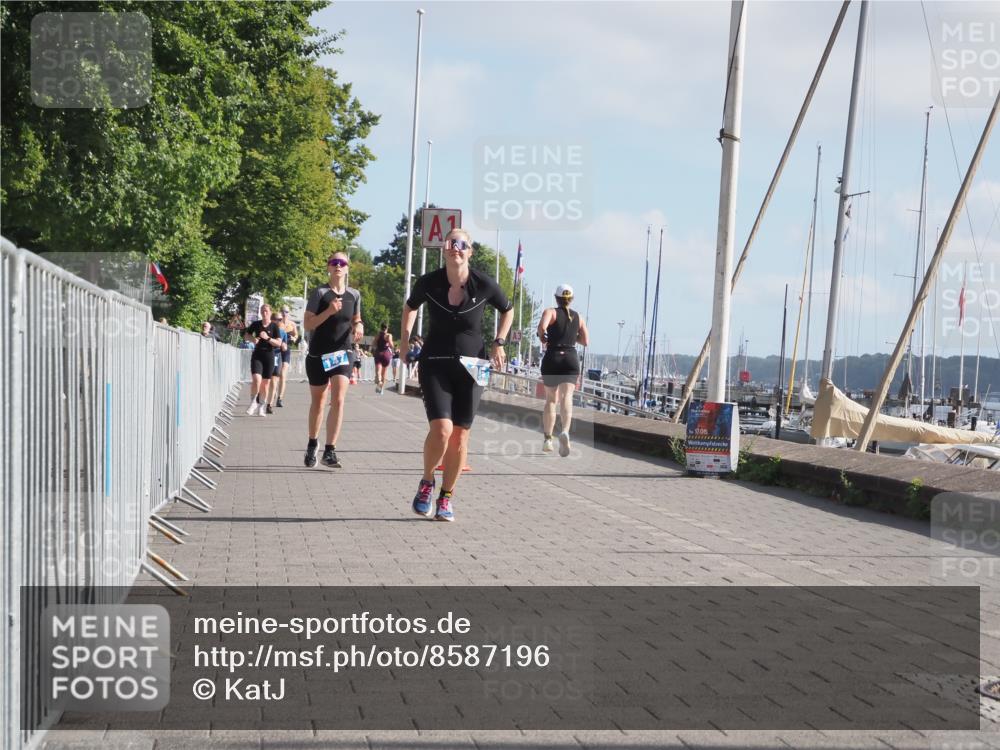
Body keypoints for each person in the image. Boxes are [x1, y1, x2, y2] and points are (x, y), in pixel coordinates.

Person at [401, 228, 514, 522]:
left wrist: (499, 342)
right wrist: (405, 340)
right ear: (444, 249)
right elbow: (410, 307)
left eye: (462, 244)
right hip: (435, 362)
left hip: (474, 366)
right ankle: (427, 481)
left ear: (470, 251)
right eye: (451, 243)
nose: (456, 248)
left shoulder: (485, 284)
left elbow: (508, 310)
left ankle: (446, 497)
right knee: (442, 429)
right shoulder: (430, 282)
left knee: (461, 436)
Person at [302, 252, 363, 468]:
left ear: (347, 268)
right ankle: (312, 443)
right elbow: (308, 324)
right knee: (318, 402)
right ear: (328, 267)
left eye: (342, 263)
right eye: (334, 262)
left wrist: (359, 325)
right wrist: (328, 311)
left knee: (338, 399)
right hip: (318, 354)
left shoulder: (354, 295)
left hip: (342, 352)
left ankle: (330, 450)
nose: (338, 266)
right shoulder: (320, 293)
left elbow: (356, 318)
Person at [537, 284, 589, 456]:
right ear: (571, 299)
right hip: (570, 358)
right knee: (567, 397)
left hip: (553, 357)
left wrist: (543, 336)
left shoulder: (550, 312)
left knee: (551, 400)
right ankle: (565, 431)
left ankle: (547, 439)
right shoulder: (578, 317)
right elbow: (585, 340)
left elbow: (542, 329)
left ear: (556, 298)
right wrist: (572, 336)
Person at [244, 304, 284, 416]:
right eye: (262, 311)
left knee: (265, 383)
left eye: (266, 311)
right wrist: (253, 339)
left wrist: (267, 338)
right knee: (256, 379)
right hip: (257, 355)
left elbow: (279, 343)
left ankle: (262, 405)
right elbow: (246, 335)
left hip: (269, 356)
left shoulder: (274, 327)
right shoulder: (256, 324)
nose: (264, 313)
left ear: (270, 313)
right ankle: (253, 402)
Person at [264, 311, 290, 414]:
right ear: (272, 320)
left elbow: (285, 346)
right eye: (278, 320)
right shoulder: (266, 330)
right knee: (266, 381)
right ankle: (262, 399)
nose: (280, 321)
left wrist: (283, 346)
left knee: (275, 380)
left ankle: (269, 405)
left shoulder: (283, 332)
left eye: (281, 319)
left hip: (276, 356)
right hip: (266, 355)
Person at [276, 305, 299, 407]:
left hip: (287, 349)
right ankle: (272, 394)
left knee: (283, 374)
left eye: (286, 311)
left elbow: (296, 335)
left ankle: (280, 398)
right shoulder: (278, 324)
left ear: (289, 313)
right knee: (275, 374)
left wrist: (294, 338)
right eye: (283, 311)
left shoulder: (292, 324)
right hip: (277, 349)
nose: (285, 313)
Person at [373, 324, 394, 394]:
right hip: (386, 354)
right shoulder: (389, 335)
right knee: (384, 373)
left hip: (378, 353)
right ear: (387, 328)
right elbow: (391, 344)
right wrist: (391, 346)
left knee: (378, 371)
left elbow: (374, 344)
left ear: (381, 328)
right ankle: (381, 389)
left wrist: (376, 347)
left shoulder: (378, 335)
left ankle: (379, 381)